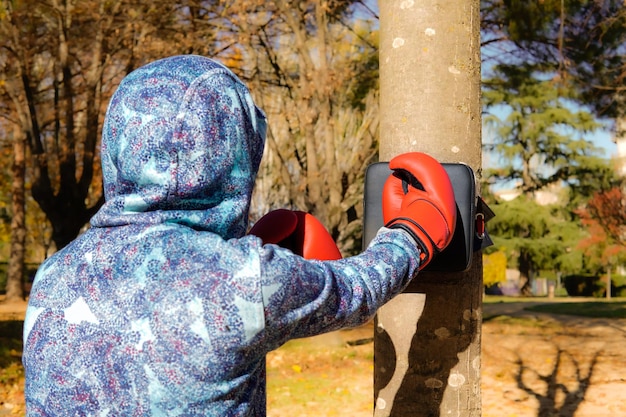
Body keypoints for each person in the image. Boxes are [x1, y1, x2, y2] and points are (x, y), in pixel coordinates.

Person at [23, 55, 457, 416]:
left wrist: (242, 253)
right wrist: (413, 232)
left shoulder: (52, 275)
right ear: (232, 152)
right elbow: (356, 291)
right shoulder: (243, 280)